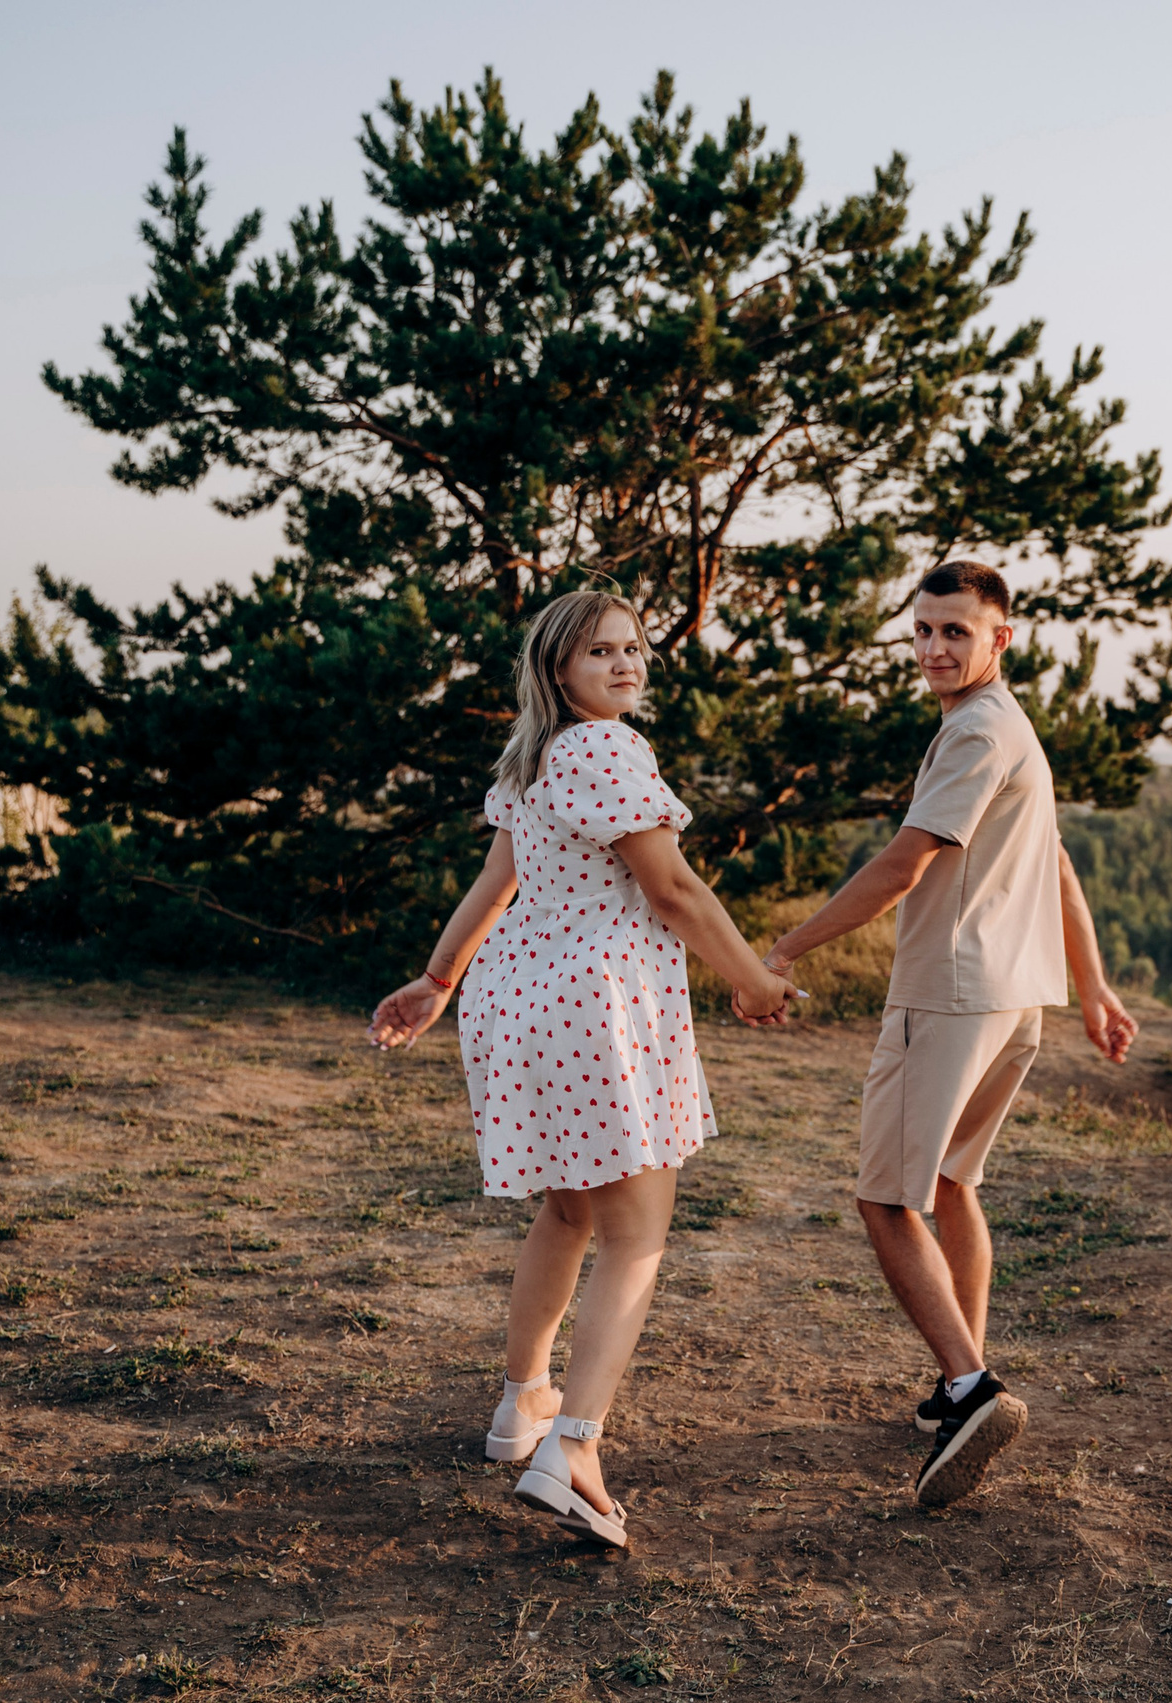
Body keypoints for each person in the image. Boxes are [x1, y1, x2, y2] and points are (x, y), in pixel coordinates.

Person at [367, 588, 797, 1551]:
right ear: (558, 669)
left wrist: (438, 980)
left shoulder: (535, 757)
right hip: (592, 1008)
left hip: (523, 1001)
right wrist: (756, 980)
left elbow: (498, 881)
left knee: (569, 1214)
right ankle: (574, 1449)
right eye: (600, 651)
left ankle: (523, 1400)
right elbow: (673, 889)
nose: (625, 663)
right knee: (635, 1235)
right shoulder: (606, 748)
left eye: (633, 647)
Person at [762, 562, 1139, 1508]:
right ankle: (958, 1374)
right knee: (949, 1184)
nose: (934, 648)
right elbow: (1057, 866)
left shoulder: (975, 730)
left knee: (885, 1198)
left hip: (951, 996)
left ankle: (972, 1390)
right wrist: (1092, 988)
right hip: (1014, 1002)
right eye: (924, 630)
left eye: (955, 631)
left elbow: (902, 866)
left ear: (1000, 638)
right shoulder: (1008, 726)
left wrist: (785, 948)